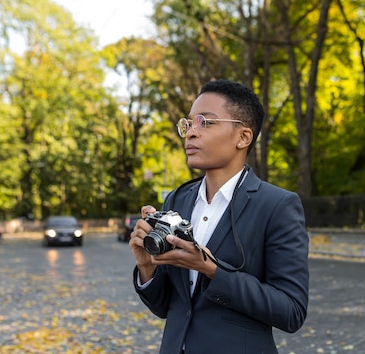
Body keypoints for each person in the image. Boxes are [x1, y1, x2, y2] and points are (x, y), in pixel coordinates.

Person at [129, 79, 310, 354]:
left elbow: (291, 311)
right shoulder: (176, 200)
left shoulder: (278, 206)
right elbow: (168, 307)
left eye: (205, 122)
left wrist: (212, 270)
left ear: (243, 137)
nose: (190, 133)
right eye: (188, 124)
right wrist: (147, 268)